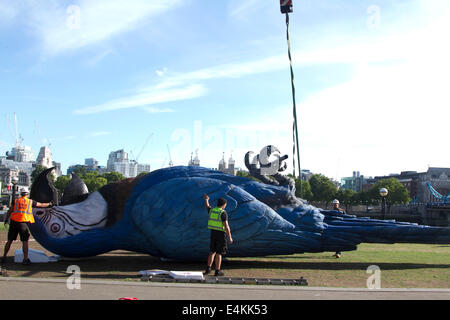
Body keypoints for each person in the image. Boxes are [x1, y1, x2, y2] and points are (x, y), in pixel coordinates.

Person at [2, 187, 51, 265]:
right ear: (27, 194)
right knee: (25, 241)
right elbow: (41, 205)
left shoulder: (16, 201)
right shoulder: (30, 202)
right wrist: (49, 203)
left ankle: (4, 257)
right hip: (23, 223)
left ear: (21, 193)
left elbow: (10, 211)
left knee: (9, 240)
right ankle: (25, 259)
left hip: (14, 222)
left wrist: (6, 220)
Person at [203, 194, 233, 276]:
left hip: (213, 233)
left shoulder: (212, 210)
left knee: (212, 251)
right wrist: (230, 237)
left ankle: (208, 269)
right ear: (224, 205)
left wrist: (206, 199)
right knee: (219, 253)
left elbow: (207, 206)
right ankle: (217, 270)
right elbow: (226, 226)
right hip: (220, 234)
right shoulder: (222, 213)